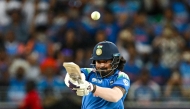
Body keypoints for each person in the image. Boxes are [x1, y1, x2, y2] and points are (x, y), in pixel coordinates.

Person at [64, 41, 130, 109]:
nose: (102, 65)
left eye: (105, 61)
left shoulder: (121, 76)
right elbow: (71, 76)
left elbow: (115, 96)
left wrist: (91, 87)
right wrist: (76, 81)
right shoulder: (89, 72)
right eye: (98, 61)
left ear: (115, 60)